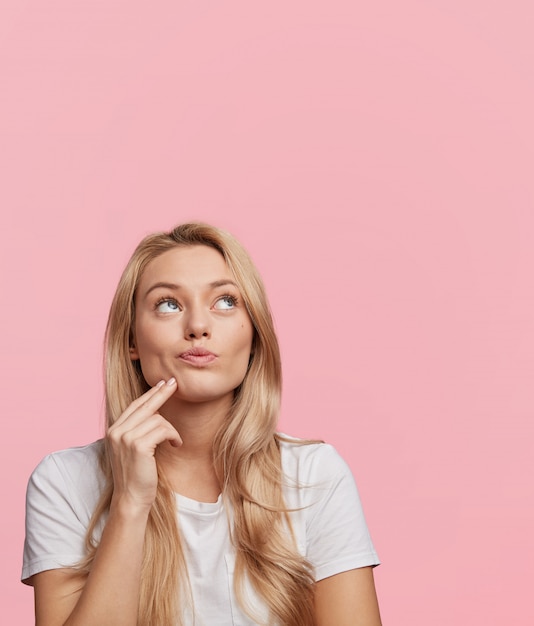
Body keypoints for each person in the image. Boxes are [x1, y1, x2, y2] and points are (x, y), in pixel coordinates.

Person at [22, 223, 381, 626]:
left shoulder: (314, 474)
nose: (197, 326)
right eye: (168, 304)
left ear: (255, 334)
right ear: (132, 341)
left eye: (225, 301)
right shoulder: (64, 482)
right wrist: (130, 503)